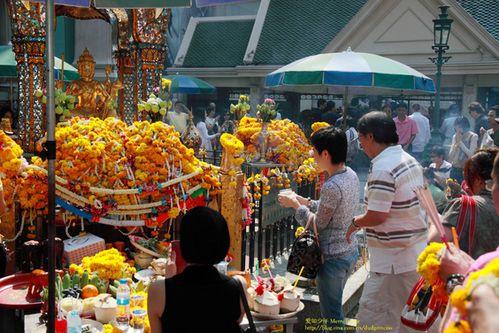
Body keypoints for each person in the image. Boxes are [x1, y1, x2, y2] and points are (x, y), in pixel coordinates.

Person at [345, 111, 427, 333]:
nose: (361, 145)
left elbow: (377, 215)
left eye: (361, 139)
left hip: (393, 262)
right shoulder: (408, 160)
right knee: (404, 317)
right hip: (411, 253)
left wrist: (355, 223)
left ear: (370, 137)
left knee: (373, 319)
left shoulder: (383, 168)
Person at [278, 126, 359, 331]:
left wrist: (295, 206)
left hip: (333, 258)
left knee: (332, 319)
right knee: (333, 312)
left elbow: (317, 224)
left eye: (314, 151)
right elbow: (329, 208)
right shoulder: (350, 174)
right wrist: (305, 200)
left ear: (325, 153)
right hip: (348, 251)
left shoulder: (332, 185)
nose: (312, 155)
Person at [148, 207, 246, 333]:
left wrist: (168, 281)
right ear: (223, 244)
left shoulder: (158, 290)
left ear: (183, 244)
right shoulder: (239, 286)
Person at [429, 148, 498, 259]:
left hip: (473, 272)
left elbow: (435, 241)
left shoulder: (463, 204)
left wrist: (435, 220)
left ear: (477, 180)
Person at [448, 117, 479, 183]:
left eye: (459, 127)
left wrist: (460, 143)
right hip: (455, 168)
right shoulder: (455, 136)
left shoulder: (473, 136)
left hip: (465, 170)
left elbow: (471, 155)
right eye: (456, 128)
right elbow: (450, 156)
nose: (457, 130)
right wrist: (455, 145)